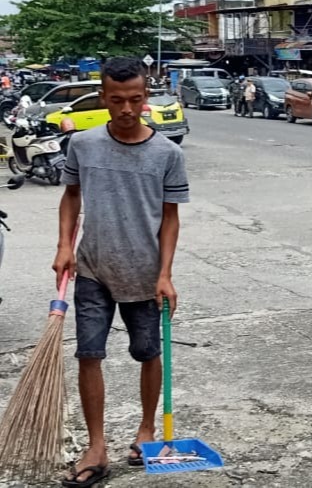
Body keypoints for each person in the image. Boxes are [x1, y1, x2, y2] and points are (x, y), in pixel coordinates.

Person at [53, 56, 189, 488]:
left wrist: (165, 273)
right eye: (117, 100)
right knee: (88, 354)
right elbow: (71, 196)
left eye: (135, 99)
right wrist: (63, 245)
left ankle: (146, 431)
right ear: (103, 98)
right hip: (93, 268)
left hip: (145, 274)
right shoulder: (84, 145)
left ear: (146, 96)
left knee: (148, 353)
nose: (127, 109)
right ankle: (96, 446)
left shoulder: (168, 153)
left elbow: (170, 218)